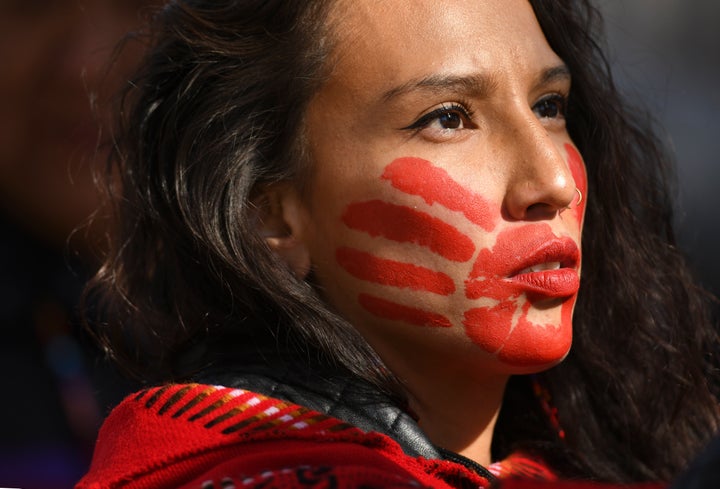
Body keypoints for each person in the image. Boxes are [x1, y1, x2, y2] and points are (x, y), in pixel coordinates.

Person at [77, 0, 720, 488]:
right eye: (448, 117)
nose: (551, 180)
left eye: (549, 106)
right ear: (271, 216)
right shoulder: (224, 471)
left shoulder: (584, 466)